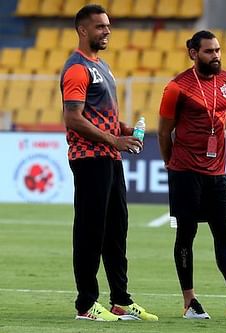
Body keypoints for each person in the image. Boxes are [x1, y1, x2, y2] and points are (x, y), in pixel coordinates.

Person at [157, 30, 226, 322]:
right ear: (193, 53)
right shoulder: (177, 88)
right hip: (185, 172)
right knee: (186, 235)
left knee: (225, 234)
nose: (216, 56)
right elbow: (163, 131)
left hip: (217, 173)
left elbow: (223, 122)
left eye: (218, 50)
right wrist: (173, 165)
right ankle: (190, 302)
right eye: (209, 51)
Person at [61, 4, 158, 322]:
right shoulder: (77, 68)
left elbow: (100, 116)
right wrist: (114, 139)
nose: (107, 31)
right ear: (83, 30)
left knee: (116, 230)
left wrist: (124, 129)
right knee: (90, 231)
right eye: (100, 26)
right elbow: (73, 118)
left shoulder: (102, 66)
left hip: (109, 157)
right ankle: (86, 304)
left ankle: (120, 300)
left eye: (108, 26)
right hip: (89, 159)